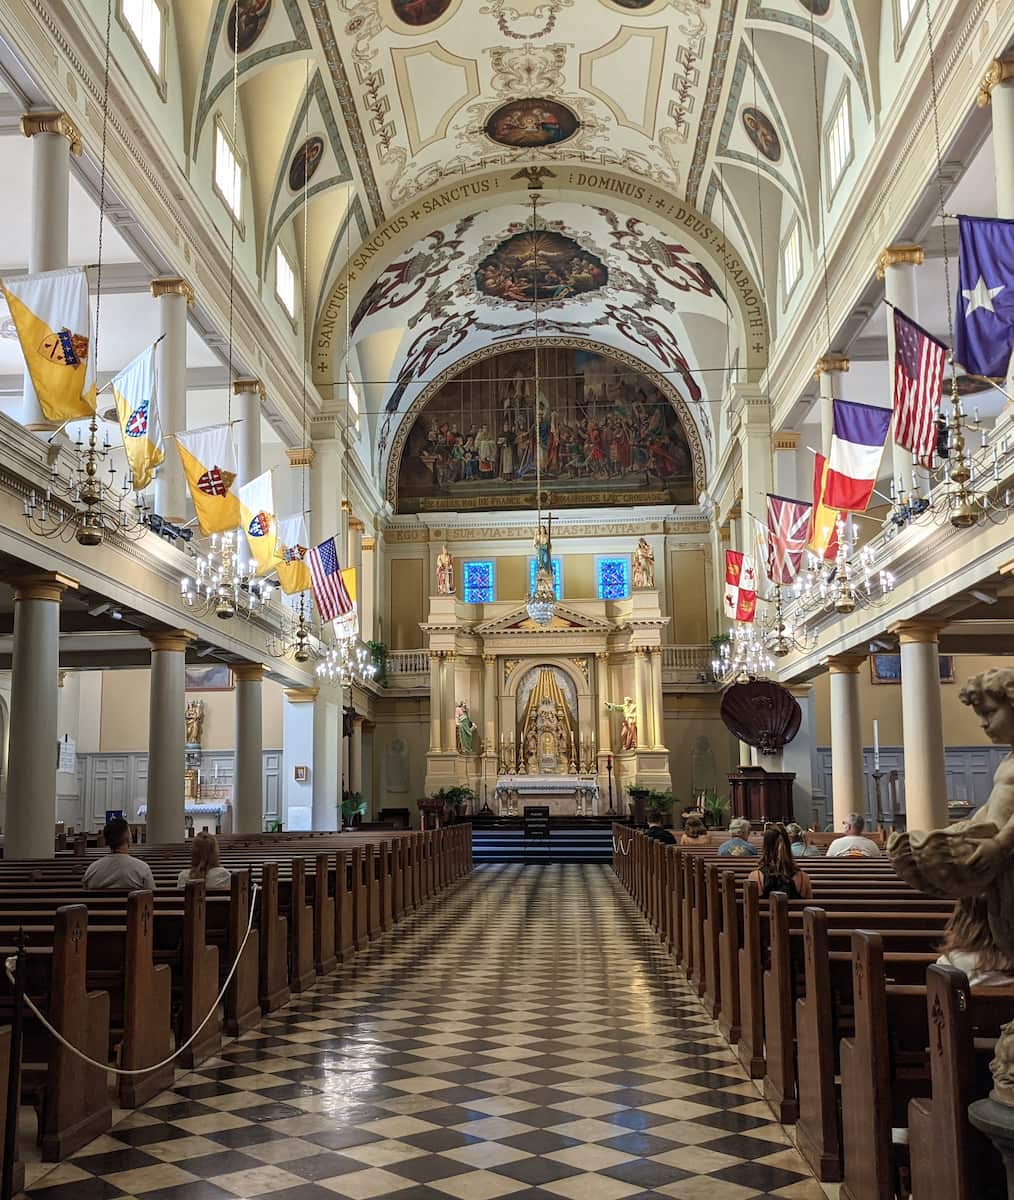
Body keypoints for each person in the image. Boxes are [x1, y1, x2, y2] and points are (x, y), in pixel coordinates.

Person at [83, 818, 156, 890]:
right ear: (128, 838)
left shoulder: (92, 869)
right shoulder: (142, 868)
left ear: (106, 840)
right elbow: (152, 894)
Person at [748, 825, 813, 900]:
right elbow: (809, 903)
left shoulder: (755, 877)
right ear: (788, 845)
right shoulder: (802, 878)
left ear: (765, 847)